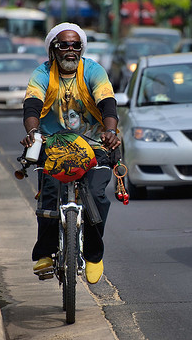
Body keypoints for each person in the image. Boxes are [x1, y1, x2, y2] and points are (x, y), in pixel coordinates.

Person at [20, 22, 121, 284]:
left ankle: (94, 255)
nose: (70, 50)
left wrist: (110, 131)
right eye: (64, 45)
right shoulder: (42, 74)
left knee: (97, 196)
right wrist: (32, 132)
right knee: (49, 195)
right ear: (53, 49)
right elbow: (32, 106)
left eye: (76, 45)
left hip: (94, 144)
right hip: (53, 145)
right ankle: (44, 253)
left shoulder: (93, 70)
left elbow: (107, 103)